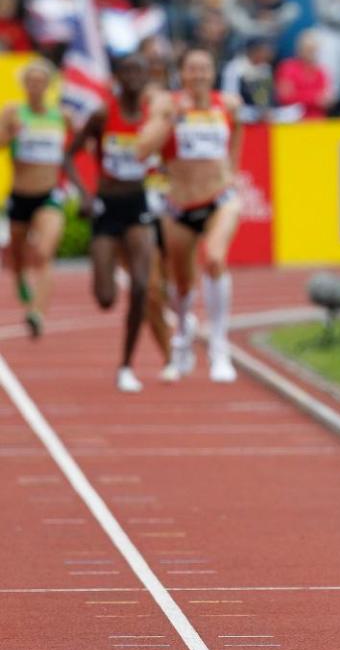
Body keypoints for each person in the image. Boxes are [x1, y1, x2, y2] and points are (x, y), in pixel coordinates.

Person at [63, 53, 171, 392]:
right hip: (107, 208)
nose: (134, 76)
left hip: (138, 205)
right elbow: (68, 156)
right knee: (106, 298)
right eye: (128, 70)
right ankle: (107, 277)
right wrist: (84, 193)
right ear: (118, 77)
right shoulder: (102, 114)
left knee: (141, 285)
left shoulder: (154, 117)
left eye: (141, 70)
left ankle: (126, 365)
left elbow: (170, 154)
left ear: (148, 76)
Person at [136, 47, 243, 383]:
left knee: (214, 258)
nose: (198, 75)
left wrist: (232, 171)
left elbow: (238, 132)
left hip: (220, 198)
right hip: (179, 206)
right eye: (192, 69)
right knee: (181, 282)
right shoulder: (167, 104)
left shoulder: (227, 104)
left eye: (204, 69)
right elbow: (142, 149)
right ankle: (182, 337)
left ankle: (219, 348)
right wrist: (169, 118)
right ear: (182, 74)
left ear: (213, 73)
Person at [0, 59, 67, 338]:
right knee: (17, 254)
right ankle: (18, 278)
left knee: (42, 253)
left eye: (41, 82)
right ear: (25, 85)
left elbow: (75, 150)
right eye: (32, 81)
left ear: (49, 85)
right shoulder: (13, 113)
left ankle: (37, 314)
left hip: (49, 195)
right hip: (20, 195)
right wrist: (9, 133)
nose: (36, 86)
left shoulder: (61, 116)